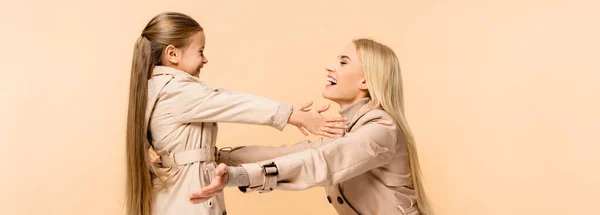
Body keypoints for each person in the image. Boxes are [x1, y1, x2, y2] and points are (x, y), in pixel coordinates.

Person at [125, 12, 346, 215]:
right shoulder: (176, 91)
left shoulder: (164, 89)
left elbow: (222, 99)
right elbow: (233, 103)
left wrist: (291, 113)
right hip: (185, 201)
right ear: (172, 54)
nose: (205, 59)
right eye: (200, 51)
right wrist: (293, 115)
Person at [190, 38, 434, 215]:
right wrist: (214, 157)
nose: (330, 66)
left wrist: (240, 176)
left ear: (365, 81)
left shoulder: (381, 129)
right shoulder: (349, 127)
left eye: (343, 62)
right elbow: (290, 154)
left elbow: (322, 162)